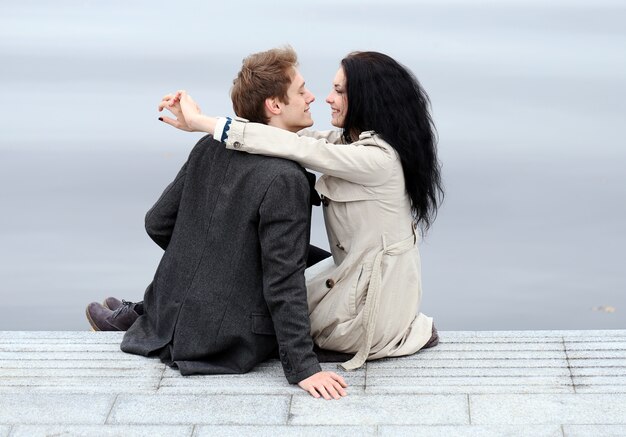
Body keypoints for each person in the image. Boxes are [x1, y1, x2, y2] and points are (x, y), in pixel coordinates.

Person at [86, 47, 347, 399]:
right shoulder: (285, 178)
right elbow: (282, 280)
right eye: (301, 90)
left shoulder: (210, 148)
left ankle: (143, 313)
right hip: (227, 340)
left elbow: (157, 223)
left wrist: (216, 270)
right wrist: (304, 368)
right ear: (274, 105)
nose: (311, 96)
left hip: (168, 320)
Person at [161, 51, 444, 371]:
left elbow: (298, 147)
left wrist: (203, 124)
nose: (326, 98)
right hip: (359, 282)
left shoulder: (378, 160)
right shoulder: (352, 143)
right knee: (257, 281)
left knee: (254, 299)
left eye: (339, 91)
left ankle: (158, 313)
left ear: (367, 98)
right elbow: (287, 137)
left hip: (368, 313)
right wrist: (209, 123)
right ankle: (158, 308)